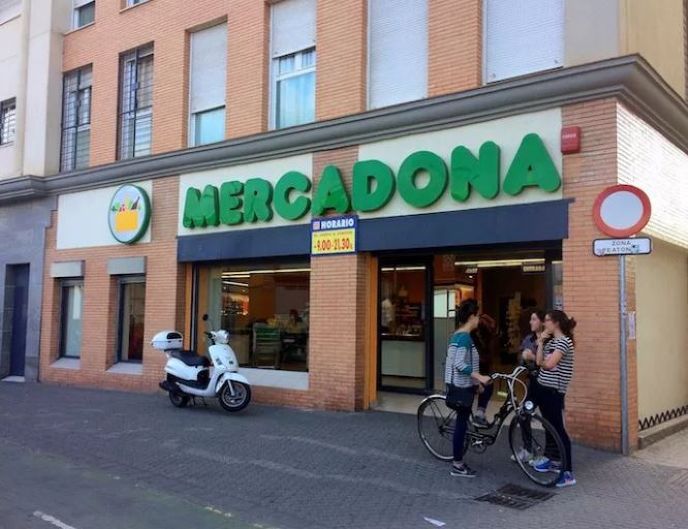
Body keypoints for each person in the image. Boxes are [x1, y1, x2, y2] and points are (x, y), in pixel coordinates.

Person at [445, 299, 492, 478]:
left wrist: (477, 384)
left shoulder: (458, 335)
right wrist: (479, 377)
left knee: (463, 422)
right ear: (472, 317)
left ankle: (458, 461)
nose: (479, 319)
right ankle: (457, 465)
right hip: (461, 387)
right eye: (478, 316)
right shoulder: (464, 337)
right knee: (461, 425)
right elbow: (459, 364)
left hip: (461, 384)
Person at [533, 309, 577, 488]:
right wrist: (541, 342)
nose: (545, 324)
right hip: (544, 388)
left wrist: (544, 361)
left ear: (556, 322)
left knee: (559, 429)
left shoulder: (564, 342)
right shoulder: (551, 342)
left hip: (554, 391)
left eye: (547, 320)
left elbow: (549, 364)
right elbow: (539, 362)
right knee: (549, 426)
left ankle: (567, 472)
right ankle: (554, 461)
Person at [511, 309, 546, 463]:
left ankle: (551, 455)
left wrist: (532, 356)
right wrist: (523, 357)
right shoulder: (528, 339)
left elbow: (549, 361)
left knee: (549, 420)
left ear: (542, 322)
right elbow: (520, 359)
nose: (531, 322)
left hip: (547, 385)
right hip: (533, 384)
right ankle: (527, 449)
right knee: (524, 414)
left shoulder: (550, 340)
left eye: (534, 319)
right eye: (531, 319)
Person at [471, 314, 499, 427]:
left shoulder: (482, 340)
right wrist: (478, 383)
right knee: (486, 386)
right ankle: (479, 413)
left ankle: (479, 413)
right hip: (471, 374)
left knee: (488, 384)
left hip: (479, 372)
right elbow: (478, 361)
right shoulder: (474, 340)